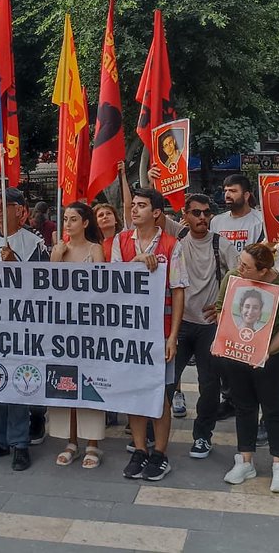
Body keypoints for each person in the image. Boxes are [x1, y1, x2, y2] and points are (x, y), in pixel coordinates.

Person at [209, 241, 279, 492]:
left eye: (246, 267)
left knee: (274, 409)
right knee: (243, 407)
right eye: (240, 263)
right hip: (237, 354)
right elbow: (221, 308)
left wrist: (264, 351)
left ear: (263, 271)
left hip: (270, 359)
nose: (240, 269)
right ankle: (245, 460)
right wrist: (227, 333)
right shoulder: (232, 278)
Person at [0, 187, 50, 472]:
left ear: (19, 210)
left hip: (21, 323)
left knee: (18, 380)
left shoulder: (34, 243)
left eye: (3, 205)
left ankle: (19, 443)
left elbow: (43, 283)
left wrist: (16, 265)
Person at [112, 188, 187, 482]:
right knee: (134, 392)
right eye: (133, 205)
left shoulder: (171, 245)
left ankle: (160, 453)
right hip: (130, 331)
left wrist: (173, 337)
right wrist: (137, 262)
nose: (134, 210)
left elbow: (178, 291)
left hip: (160, 331)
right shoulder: (121, 241)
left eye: (141, 205)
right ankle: (140, 449)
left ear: (156, 213)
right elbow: (112, 279)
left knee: (159, 394)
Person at [170, 194, 234, 461]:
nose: (203, 218)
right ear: (185, 215)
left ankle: (202, 435)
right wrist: (149, 177)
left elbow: (241, 277)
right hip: (180, 323)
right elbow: (145, 212)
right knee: (167, 379)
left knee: (209, 384)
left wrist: (222, 307)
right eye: (196, 213)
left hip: (209, 326)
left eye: (207, 213)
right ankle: (153, 431)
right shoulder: (177, 237)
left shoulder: (221, 243)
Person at [49, 201, 107, 469]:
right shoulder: (59, 250)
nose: (68, 224)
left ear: (85, 223)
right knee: (65, 381)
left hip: (90, 327)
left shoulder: (95, 250)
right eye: (65, 219)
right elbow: (48, 286)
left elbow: (102, 286)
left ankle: (92, 443)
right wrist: (56, 256)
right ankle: (70, 441)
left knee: (90, 384)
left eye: (73, 219)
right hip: (62, 327)